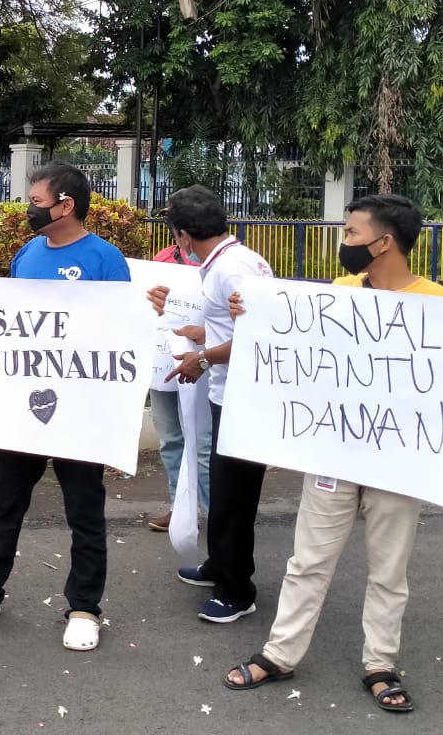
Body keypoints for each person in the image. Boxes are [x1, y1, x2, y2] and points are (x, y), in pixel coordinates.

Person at [221, 194, 443, 713]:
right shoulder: (340, 293)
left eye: (350, 234)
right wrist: (253, 316)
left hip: (398, 462)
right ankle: (280, 654)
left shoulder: (441, 306)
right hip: (333, 455)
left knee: (389, 571)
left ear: (384, 242)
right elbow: (299, 345)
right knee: (308, 560)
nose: (342, 243)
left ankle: (381, 664)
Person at [0, 162, 129, 652]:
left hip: (81, 416)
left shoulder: (106, 259)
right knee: (6, 505)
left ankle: (85, 606)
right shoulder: (27, 252)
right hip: (23, 413)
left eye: (36, 200)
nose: (29, 208)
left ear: (65, 205)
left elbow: (118, 334)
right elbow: (12, 319)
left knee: (85, 513)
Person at [150, 184, 273, 624]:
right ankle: (219, 566)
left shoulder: (230, 270)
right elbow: (227, 327)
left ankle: (237, 589)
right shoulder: (231, 260)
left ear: (182, 235)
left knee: (235, 496)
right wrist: (197, 335)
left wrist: (200, 359)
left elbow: (256, 337)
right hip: (230, 393)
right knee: (222, 489)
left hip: (244, 397)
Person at [145, 238, 210, 532]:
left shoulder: (216, 263)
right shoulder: (161, 258)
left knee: (204, 444)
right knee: (170, 438)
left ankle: (213, 515)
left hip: (203, 363)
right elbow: (146, 304)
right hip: (162, 364)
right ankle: (179, 508)